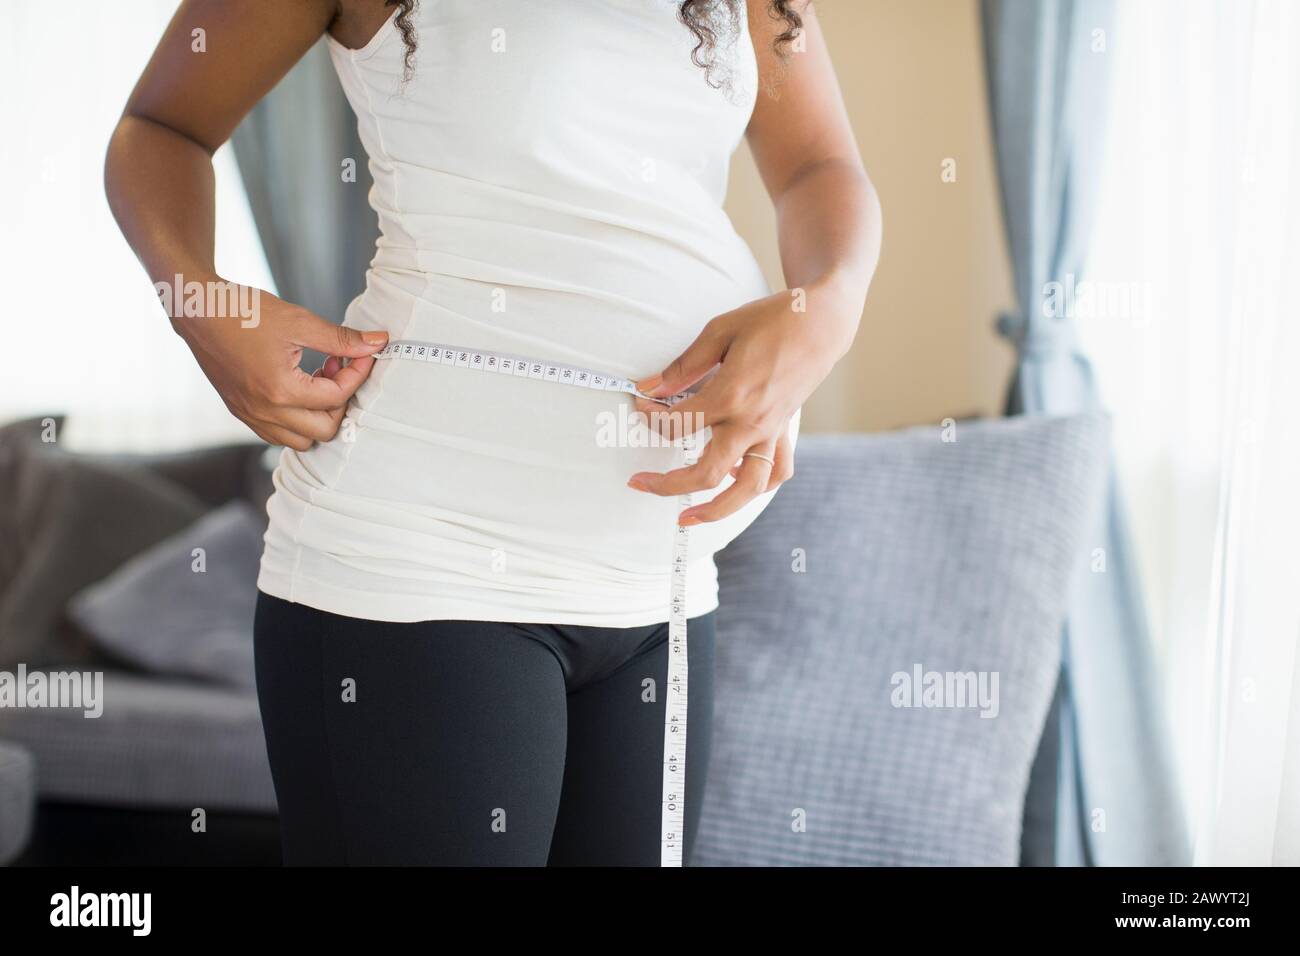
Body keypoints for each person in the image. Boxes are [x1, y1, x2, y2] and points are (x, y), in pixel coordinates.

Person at [105, 0, 881, 866]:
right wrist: (201, 306)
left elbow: (820, 166)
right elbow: (158, 127)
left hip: (661, 580)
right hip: (423, 563)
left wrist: (831, 305)